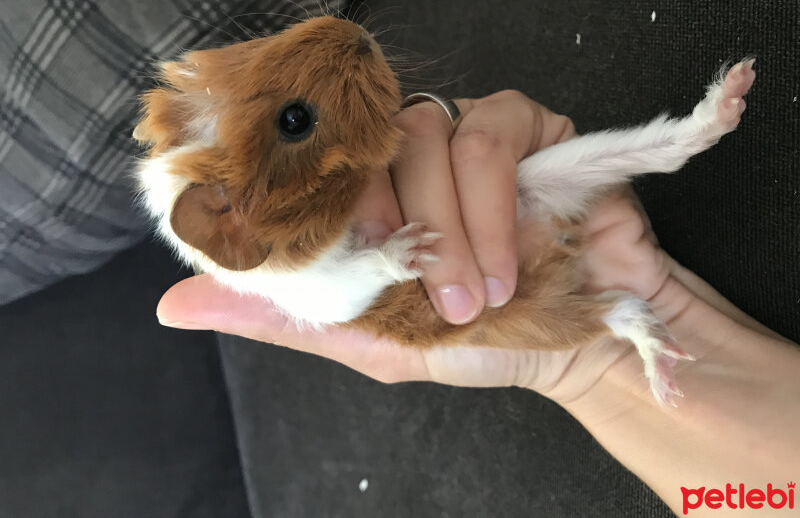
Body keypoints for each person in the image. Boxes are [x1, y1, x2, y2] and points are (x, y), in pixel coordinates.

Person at [156, 92, 800, 517]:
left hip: (508, 243)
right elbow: (334, 295)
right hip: (507, 304)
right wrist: (593, 355)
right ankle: (628, 308)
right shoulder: (271, 256)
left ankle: (683, 137)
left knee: (544, 181)